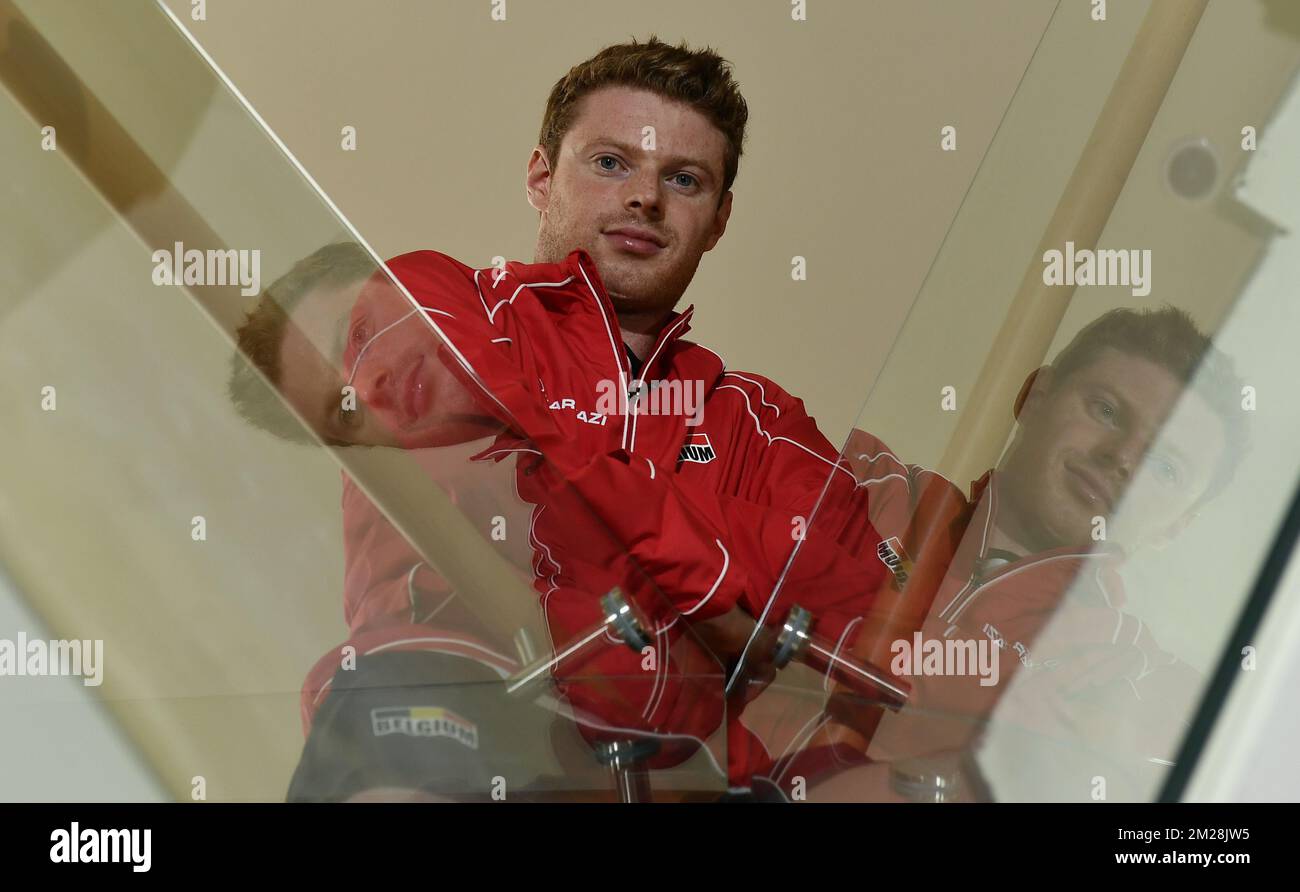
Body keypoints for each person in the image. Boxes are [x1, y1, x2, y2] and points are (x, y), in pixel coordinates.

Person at [228, 38, 889, 797]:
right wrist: (715, 591)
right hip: (458, 714)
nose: (645, 197)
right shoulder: (445, 313)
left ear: (720, 219)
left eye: (683, 177)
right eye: (611, 163)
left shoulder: (761, 419)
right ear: (541, 177)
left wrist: (619, 531)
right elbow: (498, 493)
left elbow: (852, 611)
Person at [753, 306, 1250, 802]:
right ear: (1035, 396)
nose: (1120, 459)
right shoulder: (860, 482)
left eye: (1165, 467)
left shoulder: (1126, 680)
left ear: (1178, 525)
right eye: (1107, 411)